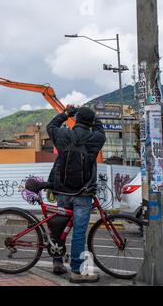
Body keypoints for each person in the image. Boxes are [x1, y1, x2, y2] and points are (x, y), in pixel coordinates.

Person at [46, 106, 106, 283]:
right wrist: (95, 118)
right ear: (91, 122)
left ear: (76, 119)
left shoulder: (63, 135)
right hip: (83, 192)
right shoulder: (96, 138)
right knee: (79, 232)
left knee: (59, 228)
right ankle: (76, 271)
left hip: (63, 190)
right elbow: (100, 130)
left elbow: (50, 126)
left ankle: (57, 262)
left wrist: (66, 114)